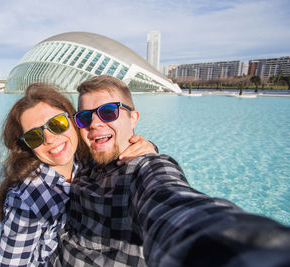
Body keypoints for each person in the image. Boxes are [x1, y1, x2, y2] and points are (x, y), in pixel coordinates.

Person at [51, 75, 290, 267]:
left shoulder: (143, 170)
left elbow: (174, 204)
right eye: (84, 117)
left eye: (108, 112)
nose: (94, 123)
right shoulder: (84, 157)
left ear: (133, 118)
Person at [0, 83, 156, 266]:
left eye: (57, 124)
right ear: (27, 145)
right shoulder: (28, 197)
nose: (50, 139)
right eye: (34, 136)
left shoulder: (85, 162)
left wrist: (145, 146)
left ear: (74, 121)